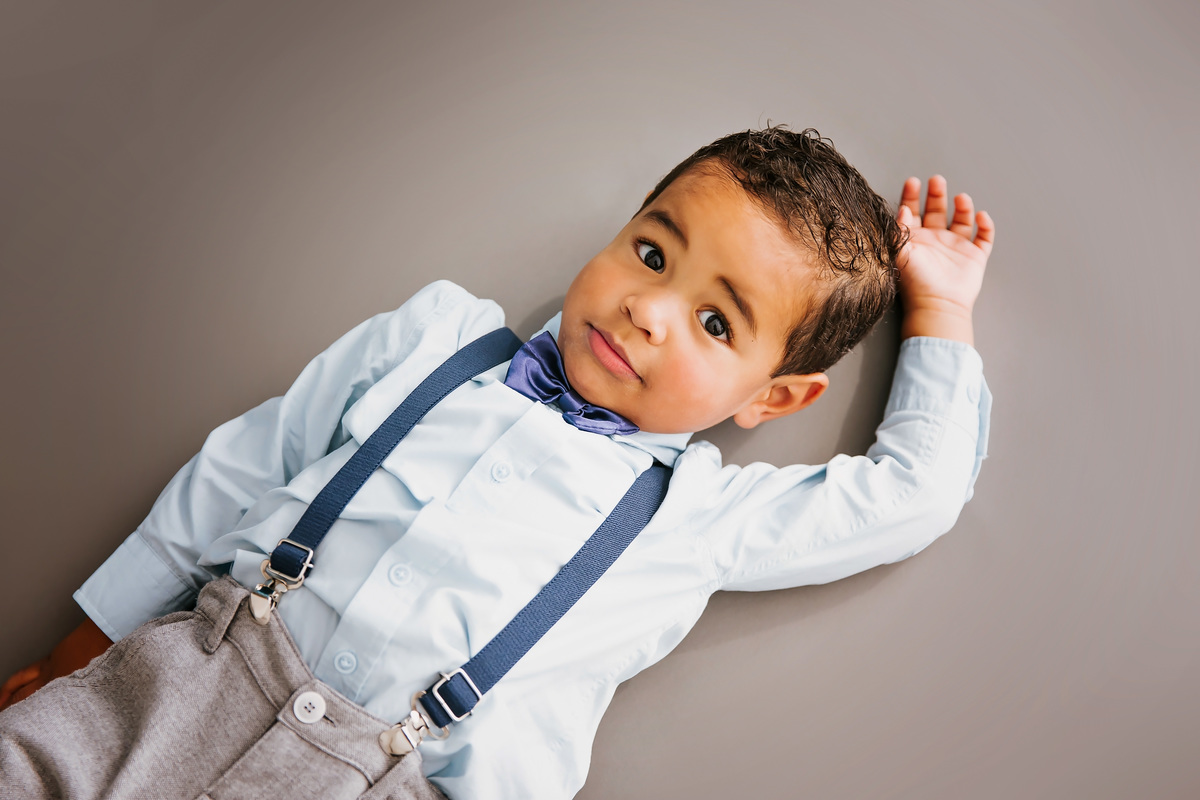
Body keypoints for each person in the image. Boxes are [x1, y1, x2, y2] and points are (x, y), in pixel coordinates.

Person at [0, 126, 993, 799]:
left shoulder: (693, 516)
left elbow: (912, 494)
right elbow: (240, 468)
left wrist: (942, 309)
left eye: (715, 321)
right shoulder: (438, 337)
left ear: (769, 399)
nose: (648, 309)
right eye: (653, 254)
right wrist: (87, 644)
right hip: (175, 689)